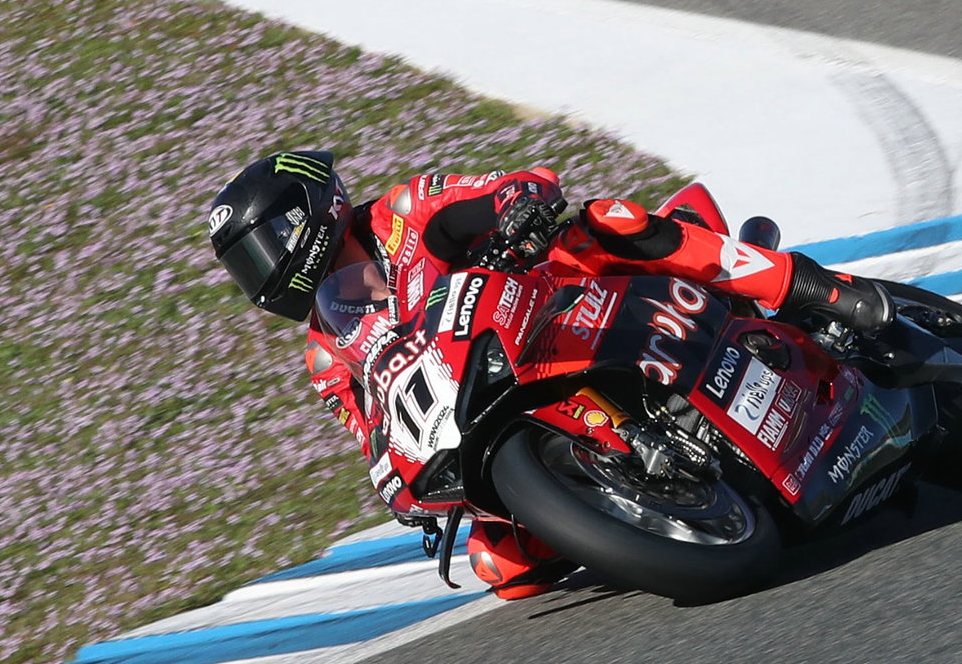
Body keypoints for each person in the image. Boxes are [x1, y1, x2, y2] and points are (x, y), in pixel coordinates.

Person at [207, 150, 892, 599]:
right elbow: (372, 437)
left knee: (606, 220)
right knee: (502, 570)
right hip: (479, 407)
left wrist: (518, 210)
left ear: (307, 216)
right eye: (245, 263)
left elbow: (515, 185)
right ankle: (646, 492)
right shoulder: (326, 352)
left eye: (261, 247)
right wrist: (404, 491)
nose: (259, 273)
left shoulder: (405, 213)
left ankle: (814, 291)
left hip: (561, 305)